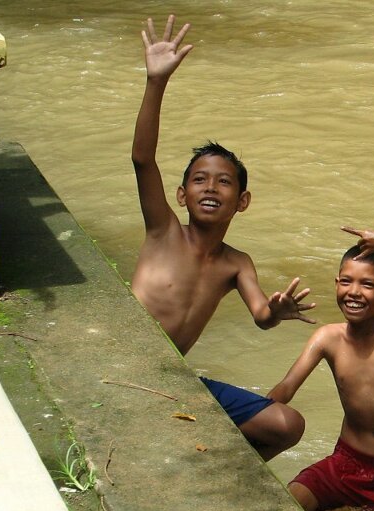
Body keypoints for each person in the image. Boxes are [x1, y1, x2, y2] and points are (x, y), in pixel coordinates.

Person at [130, 15, 316, 461]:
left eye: (224, 182)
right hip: (129, 368)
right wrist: (156, 82)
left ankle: (217, 469)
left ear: (243, 201)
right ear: (181, 194)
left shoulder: (237, 263)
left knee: (287, 424)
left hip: (173, 378)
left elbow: (261, 317)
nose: (211, 188)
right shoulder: (163, 231)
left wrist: (276, 310)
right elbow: (142, 159)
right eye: (199, 180)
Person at [267, 226, 374, 511]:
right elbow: (286, 388)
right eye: (346, 281)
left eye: (367, 285)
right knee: (292, 503)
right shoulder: (327, 338)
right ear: (336, 284)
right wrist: (247, 421)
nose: (353, 292)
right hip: (346, 462)